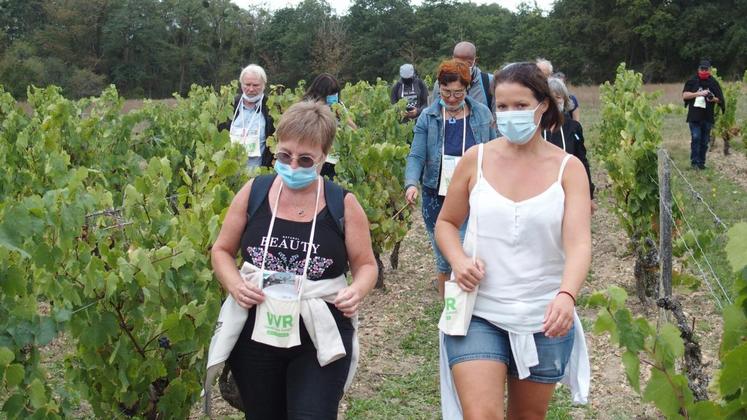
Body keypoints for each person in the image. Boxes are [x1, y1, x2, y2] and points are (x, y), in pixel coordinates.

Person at [435, 62, 591, 419]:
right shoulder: (476, 159)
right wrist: (459, 260)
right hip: (478, 309)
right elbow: (447, 222)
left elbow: (579, 243)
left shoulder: (569, 170)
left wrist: (567, 296)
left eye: (520, 106)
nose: (509, 114)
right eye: (501, 107)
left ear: (544, 106)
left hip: (544, 315)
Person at [210, 101, 378, 419]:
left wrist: (357, 291)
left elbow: (366, 264)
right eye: (285, 156)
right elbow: (221, 250)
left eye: (305, 160)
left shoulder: (342, 204)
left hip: (319, 332)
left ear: (324, 157)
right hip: (256, 331)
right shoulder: (254, 192)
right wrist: (234, 284)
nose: (293, 166)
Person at [405, 59, 496, 298]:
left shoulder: (481, 113)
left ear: (467, 89)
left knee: (466, 246)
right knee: (443, 254)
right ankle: (449, 306)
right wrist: (411, 183)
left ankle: (472, 301)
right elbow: (416, 153)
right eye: (446, 92)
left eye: (458, 92)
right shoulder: (428, 116)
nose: (452, 98)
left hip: (472, 190)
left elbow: (494, 150)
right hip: (436, 194)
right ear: (439, 88)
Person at [546, 77, 595, 209]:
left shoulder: (574, 127)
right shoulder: (536, 127)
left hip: (567, 190)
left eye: (558, 97)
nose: (554, 102)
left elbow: (582, 161)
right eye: (550, 98)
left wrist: (589, 195)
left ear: (565, 100)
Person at [304, 73, 357, 179]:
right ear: (321, 93)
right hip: (318, 160)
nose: (334, 96)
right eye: (330, 93)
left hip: (337, 161)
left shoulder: (339, 105)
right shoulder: (308, 107)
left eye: (335, 93)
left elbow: (353, 128)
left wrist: (342, 116)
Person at [221, 64, 275, 169]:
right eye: (247, 84)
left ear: (264, 85)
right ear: (241, 84)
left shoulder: (271, 109)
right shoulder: (229, 106)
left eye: (255, 85)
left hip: (258, 173)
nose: (250, 89)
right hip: (230, 172)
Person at [682, 59, 725, 169]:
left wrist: (712, 98)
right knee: (696, 138)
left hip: (707, 116)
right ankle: (694, 163)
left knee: (705, 141)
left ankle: (701, 163)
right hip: (694, 116)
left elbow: (720, 99)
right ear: (698, 69)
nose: (704, 71)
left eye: (706, 69)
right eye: (702, 69)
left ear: (709, 70)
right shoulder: (692, 81)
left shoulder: (713, 82)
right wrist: (698, 93)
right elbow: (685, 95)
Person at [432, 41, 495, 112]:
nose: (462, 67)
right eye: (458, 62)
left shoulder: (489, 82)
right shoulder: (441, 83)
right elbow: (433, 113)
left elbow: (496, 116)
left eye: (467, 63)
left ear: (475, 61)